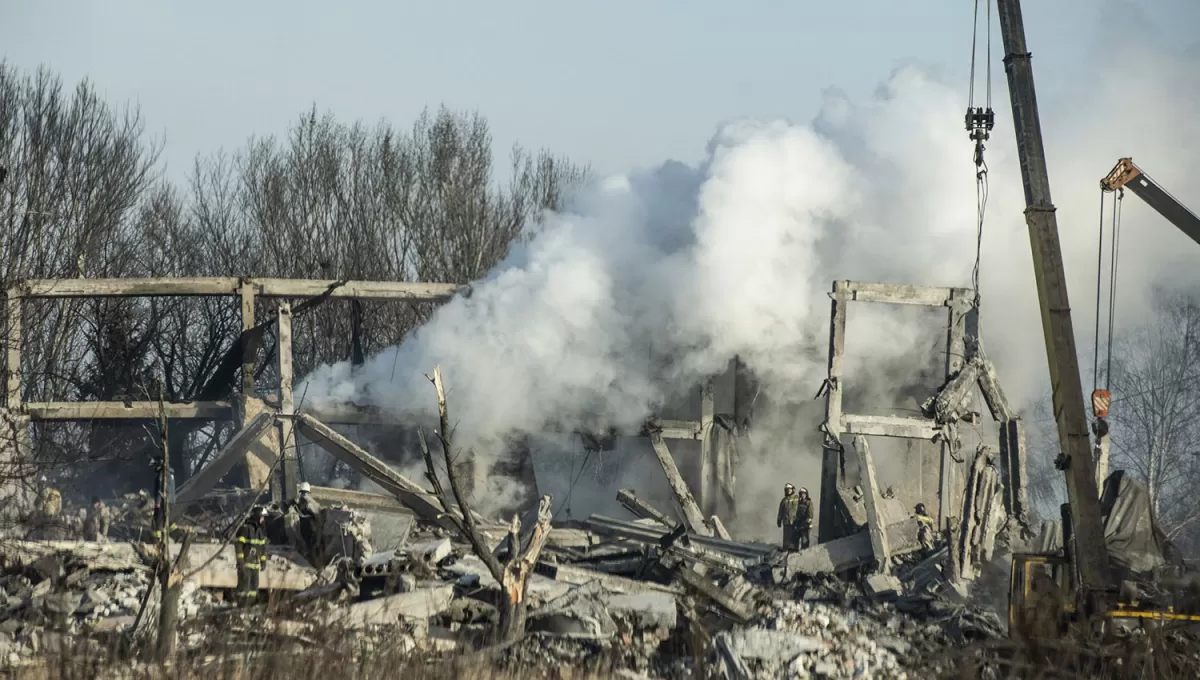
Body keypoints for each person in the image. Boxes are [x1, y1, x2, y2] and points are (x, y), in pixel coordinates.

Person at [235, 506, 270, 605]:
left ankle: (250, 607)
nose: (263, 520)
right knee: (244, 588)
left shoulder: (259, 531)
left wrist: (263, 561)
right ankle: (241, 607)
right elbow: (238, 545)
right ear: (257, 516)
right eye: (262, 517)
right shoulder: (245, 529)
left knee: (254, 588)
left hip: (255, 565)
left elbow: (262, 547)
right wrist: (240, 561)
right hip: (245, 564)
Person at [777, 483, 803, 551]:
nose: (788, 491)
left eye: (790, 489)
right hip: (786, 522)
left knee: (794, 537)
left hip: (795, 522)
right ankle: (785, 550)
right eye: (787, 489)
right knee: (786, 537)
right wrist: (779, 520)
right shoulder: (784, 500)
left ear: (792, 490)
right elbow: (780, 511)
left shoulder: (797, 498)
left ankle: (794, 550)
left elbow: (802, 508)